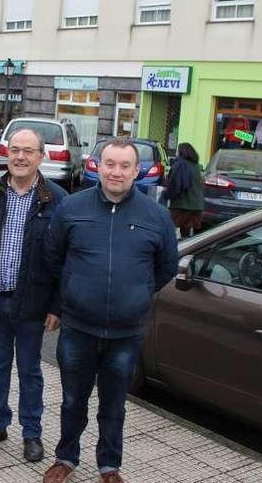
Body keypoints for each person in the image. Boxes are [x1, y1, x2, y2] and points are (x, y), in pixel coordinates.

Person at [42, 138, 178, 483]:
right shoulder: (72, 208)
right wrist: (71, 294)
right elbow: (53, 259)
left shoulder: (157, 216)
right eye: (110, 164)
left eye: (125, 166)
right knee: (73, 400)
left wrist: (138, 295)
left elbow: (166, 268)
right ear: (97, 166)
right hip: (78, 328)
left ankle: (108, 466)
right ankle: (66, 458)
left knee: (114, 404)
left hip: (126, 333)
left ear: (138, 171)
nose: (116, 172)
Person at [0, 129, 67, 462]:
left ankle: (31, 434)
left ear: (41, 157)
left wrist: (56, 305)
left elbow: (67, 257)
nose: (20, 157)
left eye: (28, 151)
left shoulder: (58, 200)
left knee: (30, 370)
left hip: (33, 305)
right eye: (15, 150)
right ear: (7, 153)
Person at [164, 143, 204, 239]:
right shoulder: (197, 166)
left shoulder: (181, 164)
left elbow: (176, 184)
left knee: (168, 227)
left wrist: (166, 195)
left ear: (182, 152)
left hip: (182, 205)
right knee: (186, 231)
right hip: (196, 205)